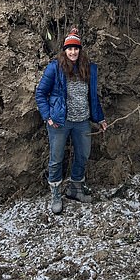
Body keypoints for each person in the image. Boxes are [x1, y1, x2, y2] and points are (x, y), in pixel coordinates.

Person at [35, 27, 108, 214]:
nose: (73, 52)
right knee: (56, 158)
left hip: (82, 120)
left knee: (83, 154)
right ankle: (56, 193)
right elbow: (41, 93)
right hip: (60, 121)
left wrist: (99, 119)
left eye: (76, 48)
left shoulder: (88, 68)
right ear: (64, 50)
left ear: (80, 49)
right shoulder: (55, 67)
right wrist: (47, 116)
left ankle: (74, 188)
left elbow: (93, 96)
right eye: (69, 48)